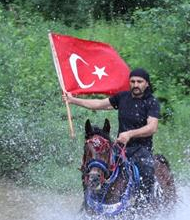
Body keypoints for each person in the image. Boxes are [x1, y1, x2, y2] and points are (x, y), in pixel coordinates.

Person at [64, 68, 160, 201]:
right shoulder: (122, 97)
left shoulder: (151, 102)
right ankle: (88, 202)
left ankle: (143, 205)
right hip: (120, 148)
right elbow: (98, 104)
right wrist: (73, 100)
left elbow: (152, 127)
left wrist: (130, 134)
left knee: (147, 171)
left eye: (139, 81)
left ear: (147, 84)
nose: (136, 85)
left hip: (142, 149)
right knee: (94, 163)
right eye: (133, 81)